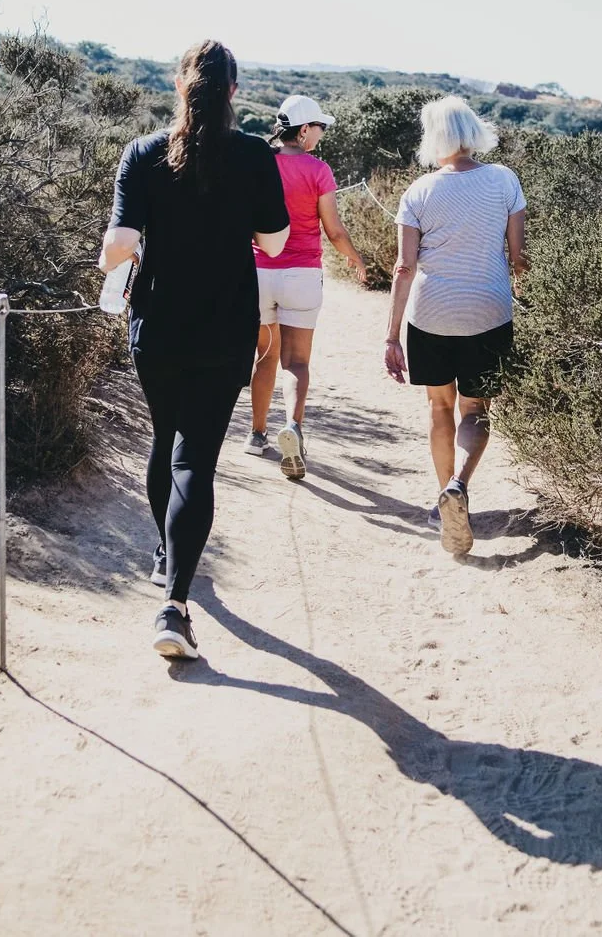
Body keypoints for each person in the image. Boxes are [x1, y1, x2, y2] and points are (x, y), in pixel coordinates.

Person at [99, 41, 289, 661]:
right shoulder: (255, 154)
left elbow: (118, 246)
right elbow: (276, 238)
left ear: (181, 87)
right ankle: (175, 604)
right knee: (194, 459)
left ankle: (165, 556)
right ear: (232, 92)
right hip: (226, 327)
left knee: (166, 441)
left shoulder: (144, 153)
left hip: (157, 326)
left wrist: (118, 264)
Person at [383, 96, 528, 556]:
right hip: (487, 310)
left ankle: (442, 493)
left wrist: (391, 336)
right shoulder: (505, 180)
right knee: (476, 410)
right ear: (472, 131)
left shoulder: (419, 191)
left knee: (440, 408)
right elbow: (519, 258)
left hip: (431, 314)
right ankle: (460, 486)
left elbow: (404, 268)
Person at [247, 94, 366, 479]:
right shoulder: (319, 170)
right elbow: (333, 229)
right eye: (319, 127)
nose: (322, 134)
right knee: (296, 362)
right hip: (301, 273)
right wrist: (355, 257)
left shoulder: (259, 163)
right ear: (303, 130)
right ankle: (293, 427)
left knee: (264, 355)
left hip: (260, 270)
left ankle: (256, 434)